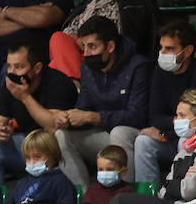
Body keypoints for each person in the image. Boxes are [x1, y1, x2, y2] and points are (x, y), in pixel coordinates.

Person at [60, 16, 149, 186]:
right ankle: (84, 198)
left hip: (135, 137)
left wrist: (94, 117)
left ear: (110, 46)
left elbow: (138, 116)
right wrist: (68, 119)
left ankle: (126, 194)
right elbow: (84, 108)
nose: (86, 54)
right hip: (104, 135)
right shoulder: (87, 68)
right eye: (83, 47)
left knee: (119, 132)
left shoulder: (138, 66)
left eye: (92, 47)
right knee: (61, 135)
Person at [0, 40, 78, 184]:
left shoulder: (58, 83)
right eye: (9, 66)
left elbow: (54, 127)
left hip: (57, 149)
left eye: (18, 67)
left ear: (37, 68)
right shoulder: (10, 84)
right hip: (28, 146)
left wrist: (25, 97)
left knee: (60, 138)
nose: (12, 72)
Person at [135, 20, 196, 184]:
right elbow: (155, 116)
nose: (162, 53)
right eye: (161, 47)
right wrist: (176, 125)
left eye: (169, 49)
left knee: (186, 141)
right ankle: (148, 200)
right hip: (170, 138)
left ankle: (182, 193)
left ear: (188, 51)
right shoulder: (160, 71)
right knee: (143, 142)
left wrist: (165, 132)